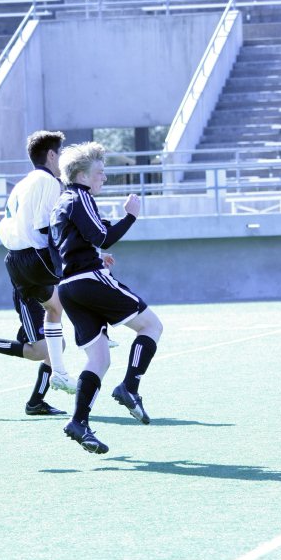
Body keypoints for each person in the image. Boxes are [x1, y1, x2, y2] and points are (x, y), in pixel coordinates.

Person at [49, 141, 163, 454]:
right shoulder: (80, 195)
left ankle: (78, 422)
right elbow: (102, 234)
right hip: (89, 282)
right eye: (100, 172)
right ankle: (130, 387)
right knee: (151, 326)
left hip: (69, 288)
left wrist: (96, 255)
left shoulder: (63, 201)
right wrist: (130, 217)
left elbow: (73, 243)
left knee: (99, 358)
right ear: (82, 175)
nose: (104, 178)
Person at [0, 129, 77, 401]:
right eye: (61, 153)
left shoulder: (23, 183)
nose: (63, 159)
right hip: (33, 259)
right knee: (43, 345)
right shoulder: (49, 182)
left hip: (18, 258)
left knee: (53, 341)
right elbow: (45, 226)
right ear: (52, 155)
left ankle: (37, 401)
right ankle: (98, 325)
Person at [0, 289, 67, 416]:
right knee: (45, 349)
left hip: (45, 291)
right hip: (31, 291)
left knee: (57, 345)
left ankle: (35, 402)